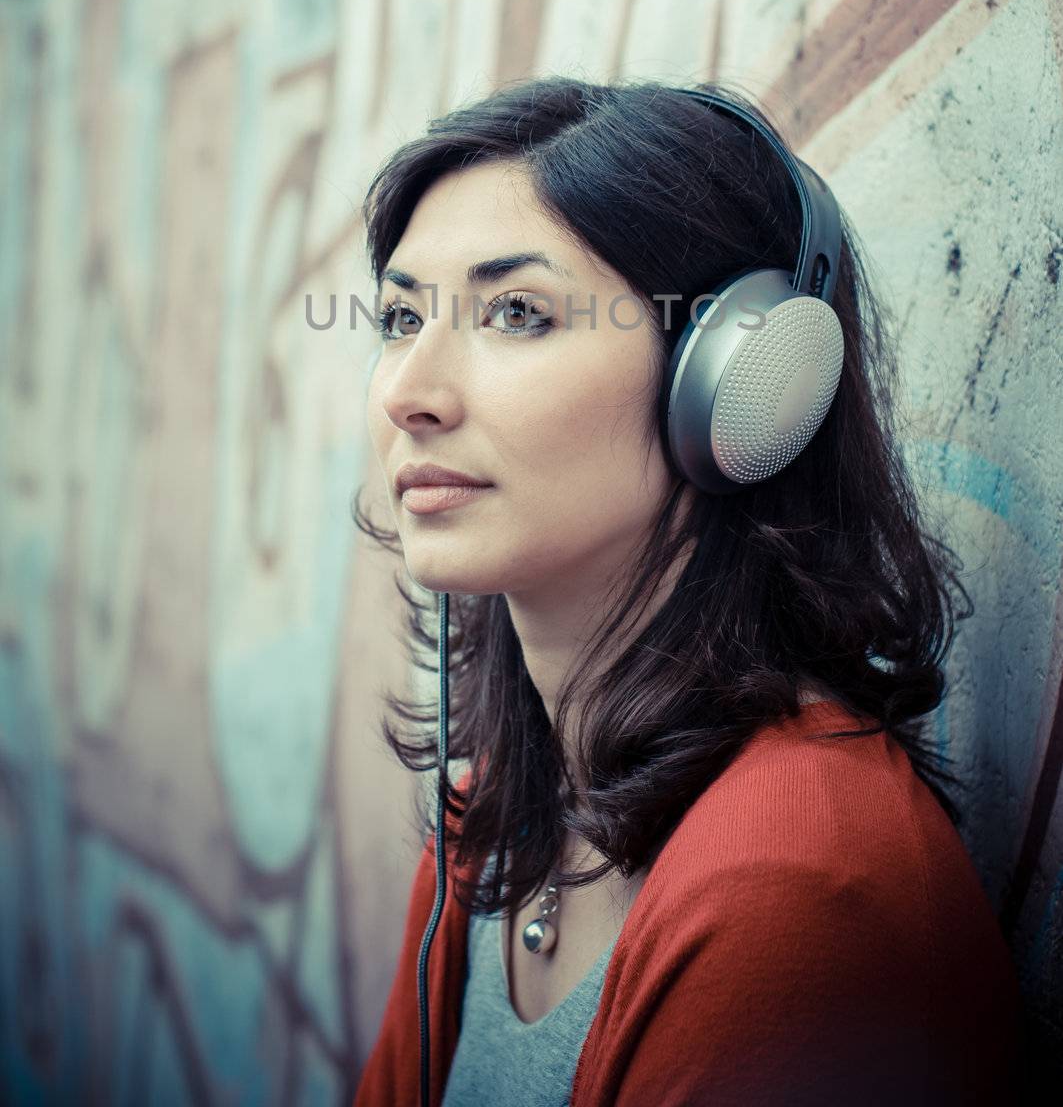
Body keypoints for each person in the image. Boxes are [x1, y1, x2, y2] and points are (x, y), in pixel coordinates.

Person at [350, 75, 1022, 1106]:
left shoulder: (790, 887)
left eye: (516, 311)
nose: (406, 393)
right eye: (400, 316)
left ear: (739, 382)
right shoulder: (494, 810)